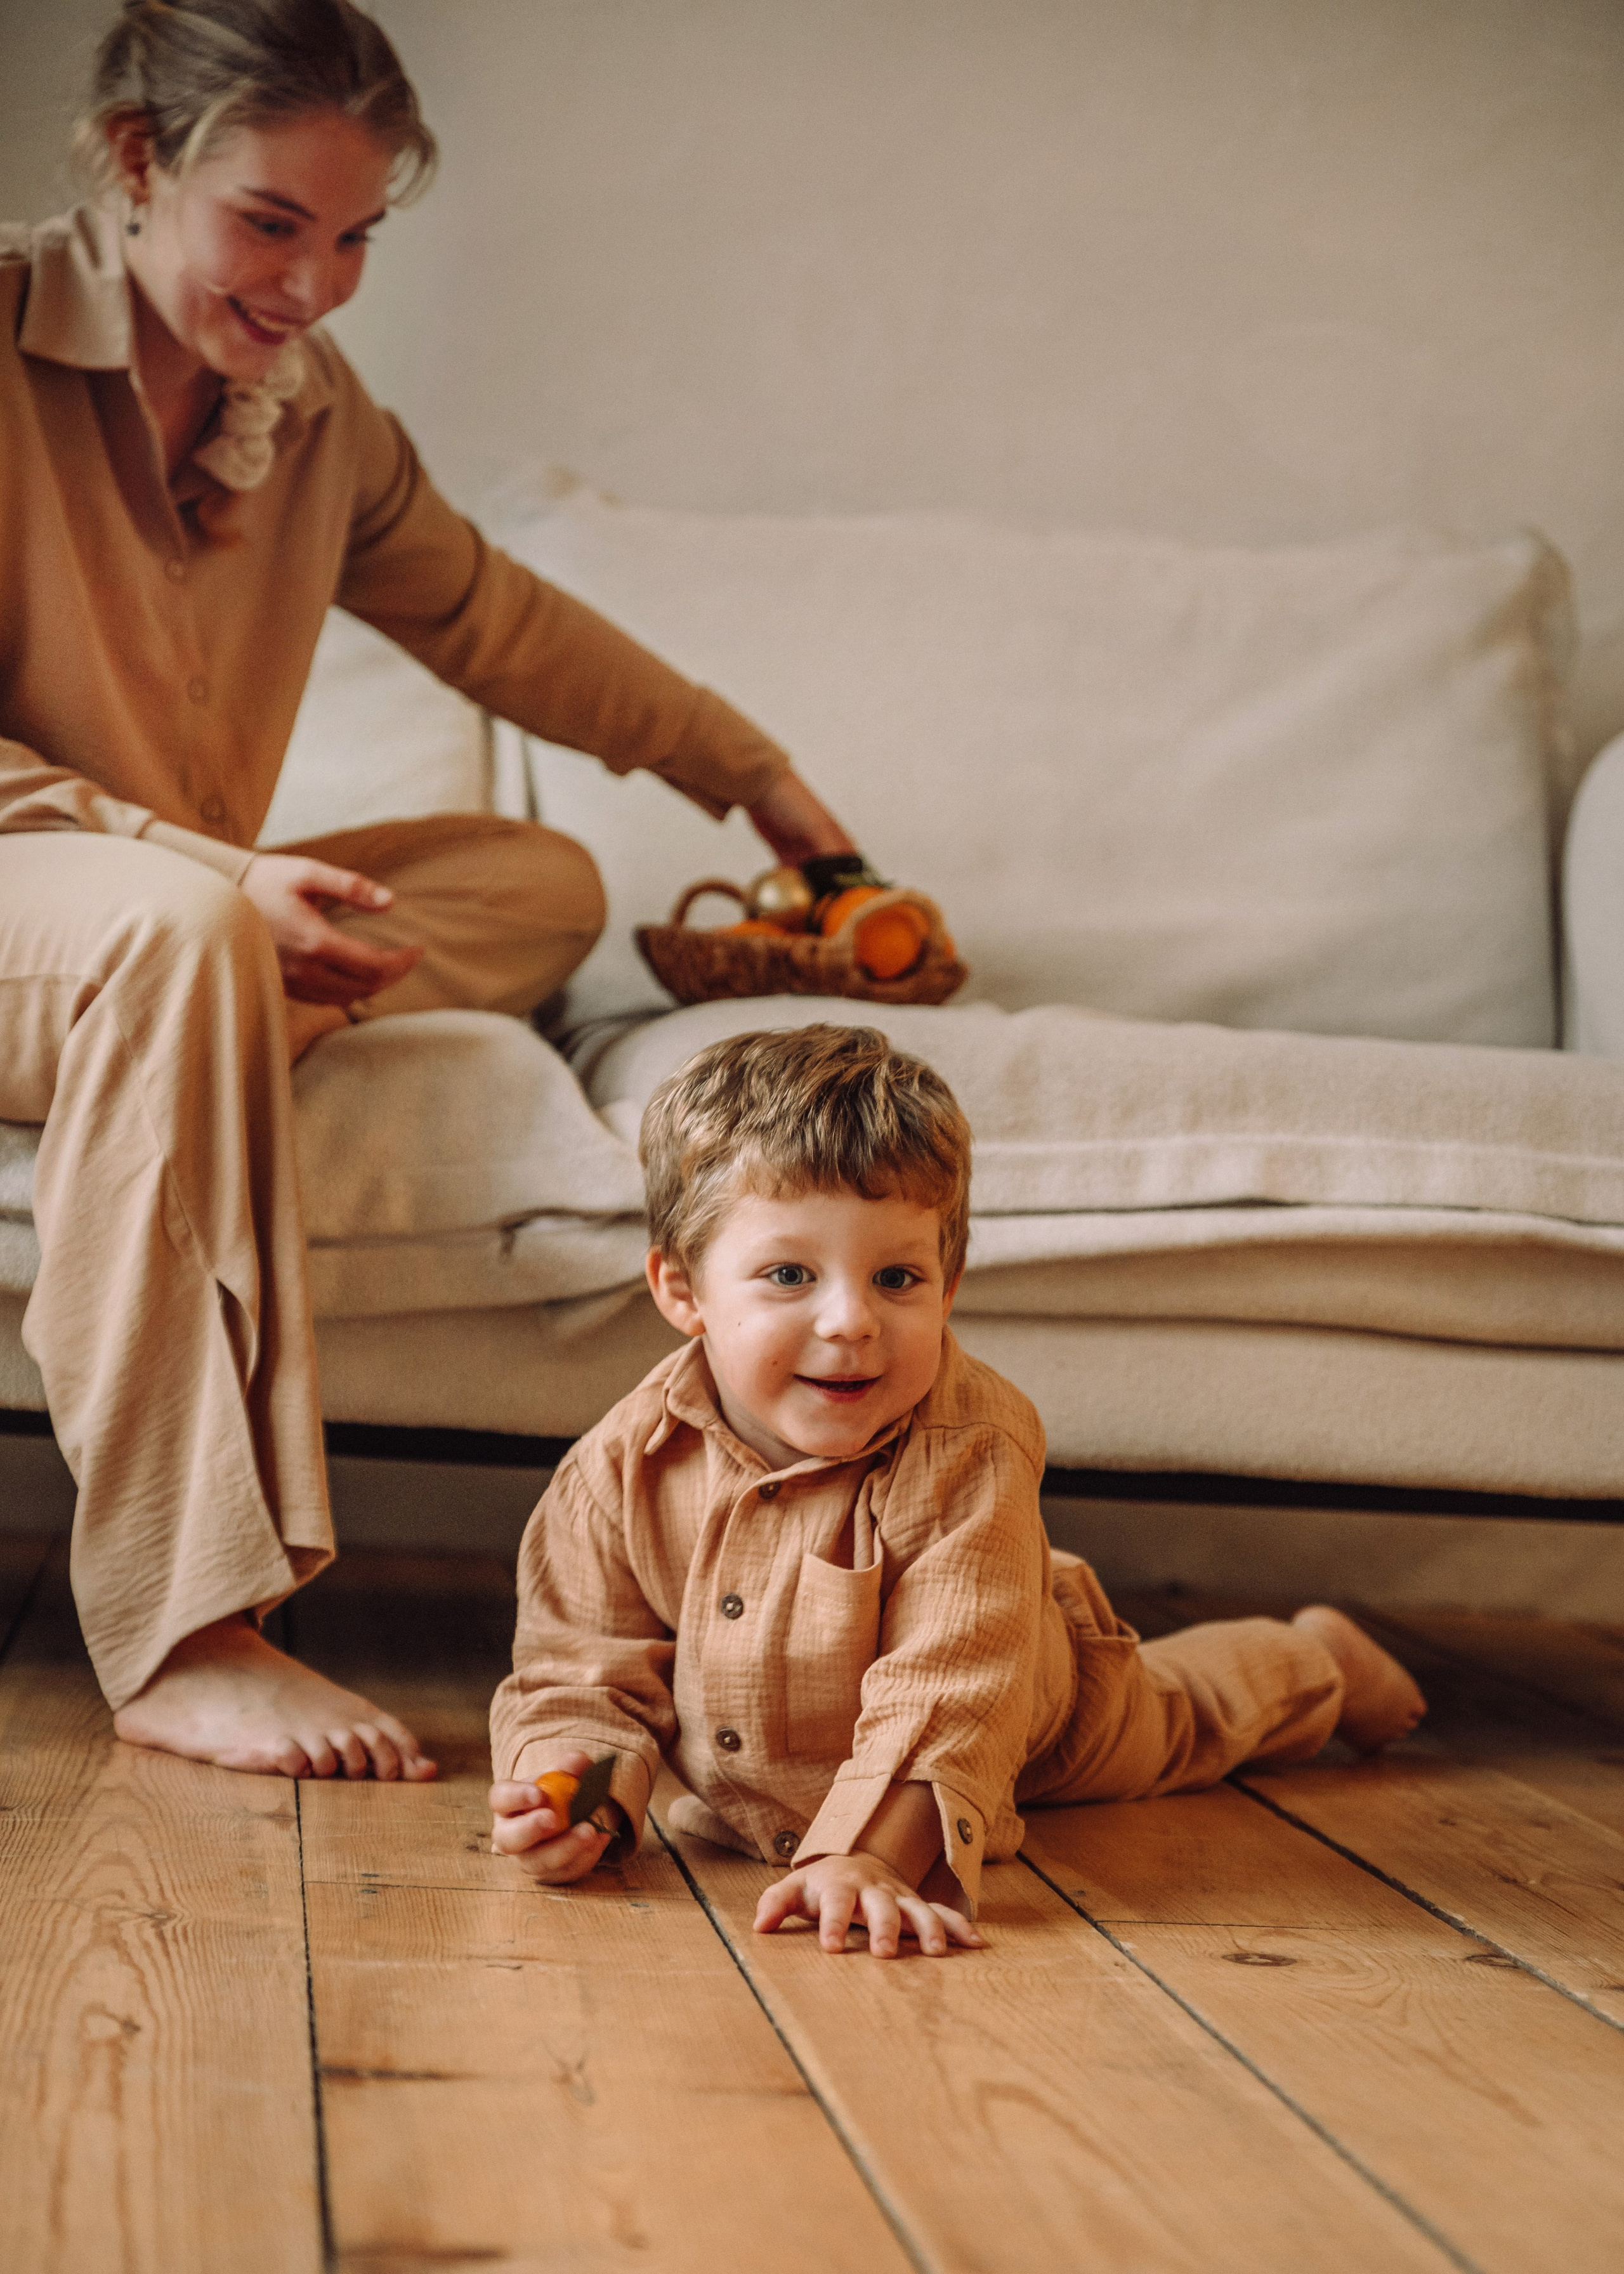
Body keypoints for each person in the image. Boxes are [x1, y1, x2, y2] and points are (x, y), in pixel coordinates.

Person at [1, 0, 858, 1781]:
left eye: (357, 237)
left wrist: (757, 780)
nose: (313, 284)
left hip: (162, 926)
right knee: (182, 928)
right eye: (271, 223)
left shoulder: (305, 415)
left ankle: (204, 1017)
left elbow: (493, 618)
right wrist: (212, 881)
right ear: (139, 160)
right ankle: (184, 1625)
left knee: (536, 877)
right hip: (69, 899)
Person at [487, 1027, 1427, 1959]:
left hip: (1030, 1702)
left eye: (897, 1277)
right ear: (682, 1289)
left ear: (949, 1286)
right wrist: (580, 1793)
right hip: (791, 1749)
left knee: (1182, 1719)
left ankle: (1315, 1662)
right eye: (788, 1275)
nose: (852, 1320)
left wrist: (870, 1858)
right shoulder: (620, 1466)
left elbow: (951, 1689)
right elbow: (587, 1671)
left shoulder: (970, 1446)